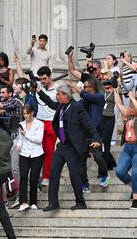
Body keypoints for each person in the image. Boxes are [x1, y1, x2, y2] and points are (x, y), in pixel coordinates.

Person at [36, 84, 102, 212]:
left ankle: (80, 202)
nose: (56, 96)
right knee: (54, 172)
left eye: (59, 94)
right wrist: (38, 91)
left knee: (74, 175)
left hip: (74, 146)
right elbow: (50, 103)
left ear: (66, 95)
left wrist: (96, 139)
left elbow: (89, 124)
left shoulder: (77, 107)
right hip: (62, 145)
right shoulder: (61, 105)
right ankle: (53, 202)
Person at [71, 78, 110, 190]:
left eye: (86, 86)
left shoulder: (99, 97)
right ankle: (84, 184)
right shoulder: (83, 101)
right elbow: (76, 104)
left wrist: (75, 87)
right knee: (81, 160)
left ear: (92, 87)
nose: (84, 89)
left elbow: (86, 95)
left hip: (96, 133)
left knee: (98, 156)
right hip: (84, 133)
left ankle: (104, 175)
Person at [16, 105, 44, 212]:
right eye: (23, 114)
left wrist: (26, 134)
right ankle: (23, 202)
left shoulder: (39, 124)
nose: (25, 116)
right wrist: (18, 144)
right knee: (23, 176)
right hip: (24, 153)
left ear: (32, 112)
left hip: (37, 154)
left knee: (33, 178)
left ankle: (33, 202)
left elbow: (39, 140)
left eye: (27, 113)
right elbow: (21, 138)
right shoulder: (21, 124)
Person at [35, 66, 58, 187]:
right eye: (41, 79)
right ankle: (38, 175)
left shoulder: (57, 88)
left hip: (51, 122)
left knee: (49, 151)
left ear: (49, 76)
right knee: (38, 151)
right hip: (39, 121)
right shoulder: (37, 86)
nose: (42, 81)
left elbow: (54, 104)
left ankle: (46, 176)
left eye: (44, 78)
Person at [115, 90, 137, 209]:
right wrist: (115, 91)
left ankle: (136, 200)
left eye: (132, 106)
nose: (130, 108)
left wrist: (132, 98)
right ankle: (135, 188)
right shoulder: (129, 116)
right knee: (120, 172)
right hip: (127, 147)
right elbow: (118, 104)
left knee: (135, 173)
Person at [102, 72, 118, 170]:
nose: (105, 81)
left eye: (107, 79)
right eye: (104, 79)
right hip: (101, 117)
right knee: (102, 141)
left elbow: (118, 101)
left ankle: (106, 165)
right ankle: (110, 162)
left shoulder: (115, 91)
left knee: (106, 142)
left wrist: (115, 86)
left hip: (110, 117)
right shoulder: (102, 90)